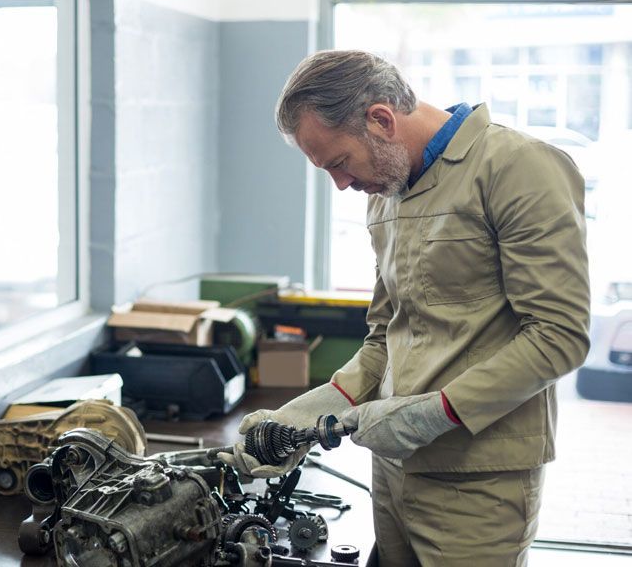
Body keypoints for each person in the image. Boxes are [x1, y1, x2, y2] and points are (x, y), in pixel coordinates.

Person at [220, 50, 590, 566]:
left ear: (381, 119)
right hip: (392, 467)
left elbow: (559, 335)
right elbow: (385, 336)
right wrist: (313, 409)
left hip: (477, 477)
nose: (342, 184)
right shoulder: (387, 189)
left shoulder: (517, 167)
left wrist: (433, 413)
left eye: (340, 163)